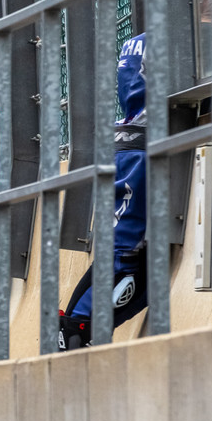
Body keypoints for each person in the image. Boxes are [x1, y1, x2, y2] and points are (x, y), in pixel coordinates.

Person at [60, 32, 149, 350]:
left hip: (129, 144)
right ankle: (75, 331)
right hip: (141, 149)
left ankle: (74, 328)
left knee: (127, 262)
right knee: (126, 261)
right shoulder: (182, 27)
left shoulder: (136, 40)